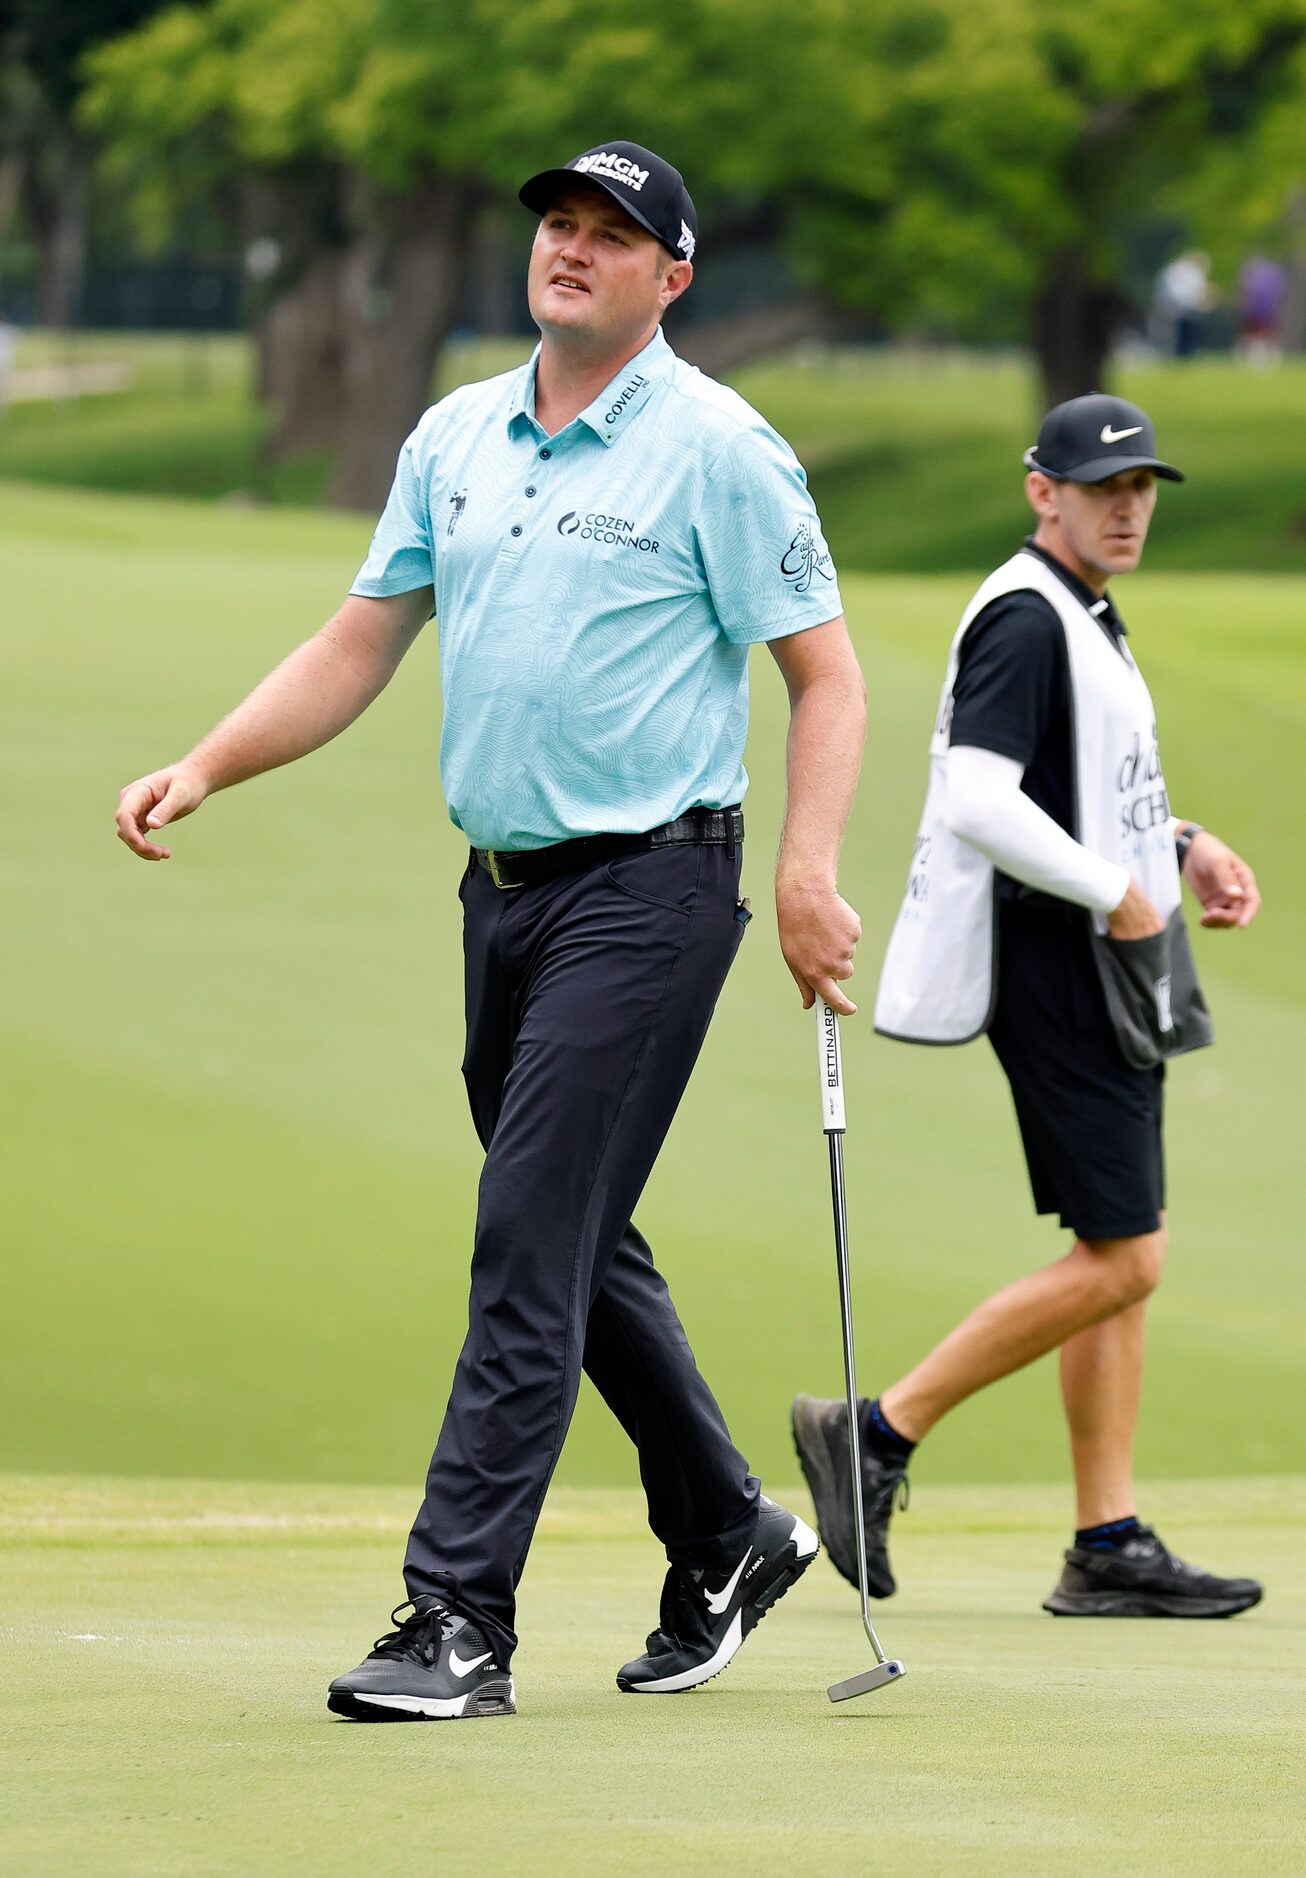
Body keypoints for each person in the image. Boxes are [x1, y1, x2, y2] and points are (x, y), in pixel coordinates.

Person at [116, 141, 867, 1718]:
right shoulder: (456, 434)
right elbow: (357, 637)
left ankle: (457, 1617)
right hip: (504, 895)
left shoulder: (721, 450)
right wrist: (206, 760)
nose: (570, 249)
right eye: (557, 225)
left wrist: (805, 872)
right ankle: (728, 1530)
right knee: (575, 1240)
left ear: (672, 279)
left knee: (526, 1242)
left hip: (653, 888)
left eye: (612, 236)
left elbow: (826, 672)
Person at [793, 394, 1265, 1621]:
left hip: (1106, 953)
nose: (1126, 508)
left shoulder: (1082, 612)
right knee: (1127, 1256)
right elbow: (977, 797)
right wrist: (1118, 889)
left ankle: (1104, 1540)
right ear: (1038, 489)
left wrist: (1182, 840)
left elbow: (1083, 787)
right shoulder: (1023, 614)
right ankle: (875, 1432)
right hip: (1058, 963)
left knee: (1119, 1254)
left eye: (1140, 487)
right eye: (1101, 487)